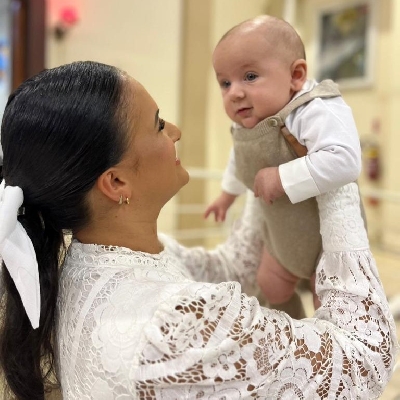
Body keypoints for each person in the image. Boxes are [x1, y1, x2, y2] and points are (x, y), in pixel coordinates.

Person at [0, 61, 397, 400]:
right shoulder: (176, 323)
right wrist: (334, 177)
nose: (175, 130)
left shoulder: (85, 264)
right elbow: (366, 359)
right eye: (157, 124)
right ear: (116, 183)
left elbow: (234, 267)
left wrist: (271, 163)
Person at [205, 15, 365, 319]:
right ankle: (293, 332)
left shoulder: (314, 108)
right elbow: (240, 158)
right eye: (225, 83)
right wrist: (227, 195)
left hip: (324, 242)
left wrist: (281, 176)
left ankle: (321, 342)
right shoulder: (248, 126)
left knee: (330, 303)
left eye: (250, 76)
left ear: (296, 75)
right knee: (270, 285)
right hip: (283, 236)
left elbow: (344, 160)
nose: (234, 92)